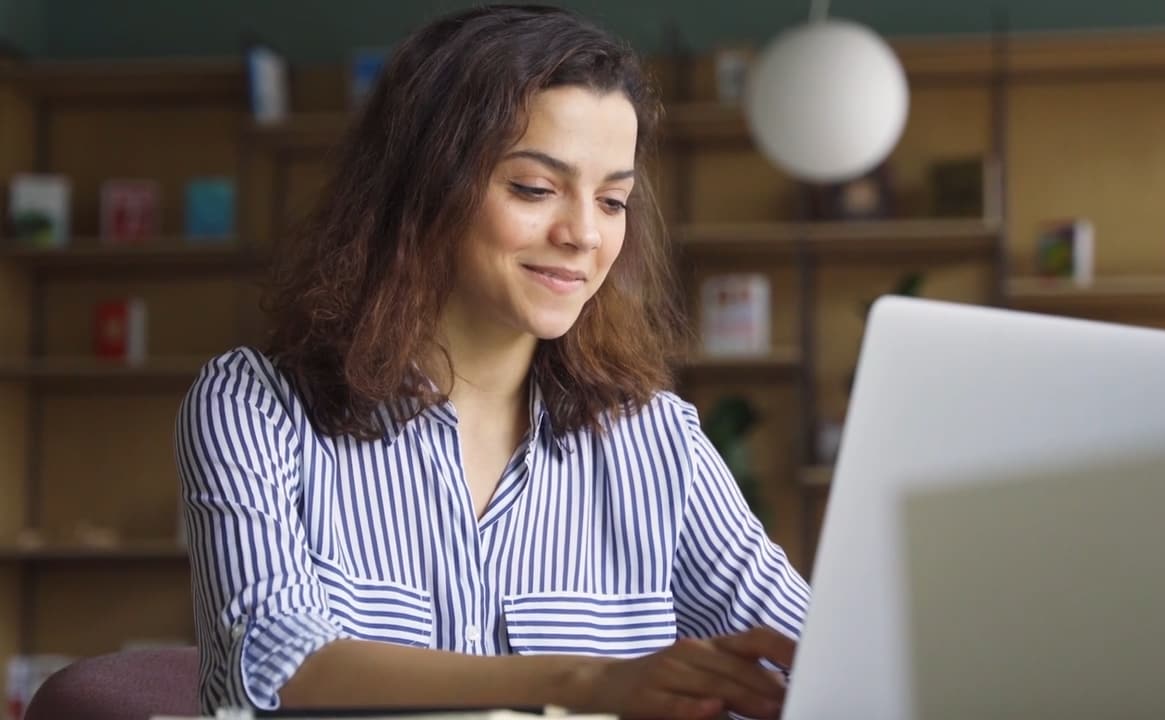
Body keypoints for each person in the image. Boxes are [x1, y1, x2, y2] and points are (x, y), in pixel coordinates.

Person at [175, 5, 810, 719]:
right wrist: (589, 685)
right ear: (422, 188)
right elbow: (274, 657)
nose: (583, 235)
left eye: (612, 200)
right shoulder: (254, 405)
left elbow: (807, 651)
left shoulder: (657, 442)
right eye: (535, 189)